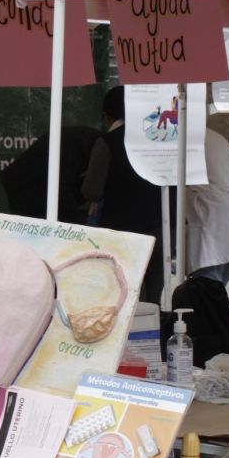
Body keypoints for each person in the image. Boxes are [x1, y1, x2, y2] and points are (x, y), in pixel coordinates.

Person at [170, 129, 229, 365]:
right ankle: (220, 350)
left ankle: (214, 353)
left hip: (215, 216)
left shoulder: (184, 135)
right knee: (214, 293)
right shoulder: (214, 136)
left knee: (206, 293)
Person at [82, 86, 168, 302]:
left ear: (106, 116)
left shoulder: (107, 142)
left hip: (124, 233)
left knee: (130, 295)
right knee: (154, 294)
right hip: (162, 226)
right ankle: (154, 331)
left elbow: (92, 190)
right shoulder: (158, 136)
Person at [0, 125, 101, 225]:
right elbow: (61, 193)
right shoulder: (79, 145)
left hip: (34, 187)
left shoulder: (89, 142)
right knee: (30, 234)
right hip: (27, 188)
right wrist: (84, 227)